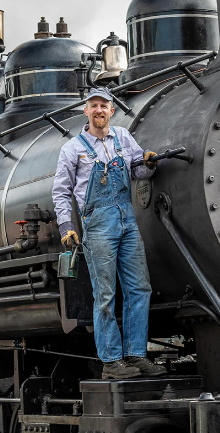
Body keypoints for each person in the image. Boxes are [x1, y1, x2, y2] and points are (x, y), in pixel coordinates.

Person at [52, 87, 166, 379]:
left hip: (127, 220)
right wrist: (67, 227)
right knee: (105, 294)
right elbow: (61, 192)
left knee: (139, 288)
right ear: (86, 111)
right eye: (94, 106)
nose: (99, 110)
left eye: (104, 105)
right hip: (98, 224)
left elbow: (139, 171)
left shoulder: (123, 138)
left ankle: (136, 355)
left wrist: (149, 163)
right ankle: (111, 361)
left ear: (111, 110)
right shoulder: (72, 149)